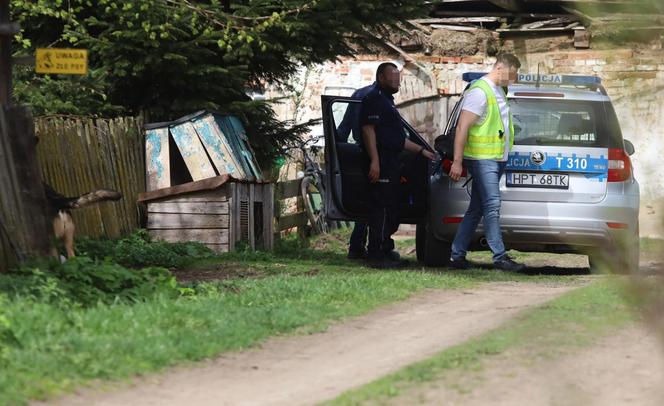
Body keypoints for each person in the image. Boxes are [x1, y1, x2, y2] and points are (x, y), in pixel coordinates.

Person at [448, 54, 526, 272]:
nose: (514, 78)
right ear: (500, 68)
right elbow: (462, 127)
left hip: (496, 159)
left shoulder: (498, 91)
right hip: (483, 160)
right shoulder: (479, 92)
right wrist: (457, 161)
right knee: (492, 205)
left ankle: (457, 256)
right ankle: (500, 257)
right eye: (513, 73)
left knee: (477, 209)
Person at [360, 62, 436, 268]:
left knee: (392, 208)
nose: (397, 81)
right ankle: (376, 254)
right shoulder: (374, 99)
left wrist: (422, 151)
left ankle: (385, 248)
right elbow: (369, 131)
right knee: (382, 209)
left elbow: (397, 138)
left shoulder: (388, 102)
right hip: (382, 161)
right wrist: (375, 161)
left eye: (398, 77)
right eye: (392, 77)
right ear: (381, 78)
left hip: (393, 161)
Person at [336, 82, 374, 259]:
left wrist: (337, 149)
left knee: (367, 201)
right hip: (376, 154)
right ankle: (375, 247)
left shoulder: (358, 94)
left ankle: (357, 245)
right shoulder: (379, 97)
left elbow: (345, 126)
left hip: (360, 152)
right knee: (377, 202)